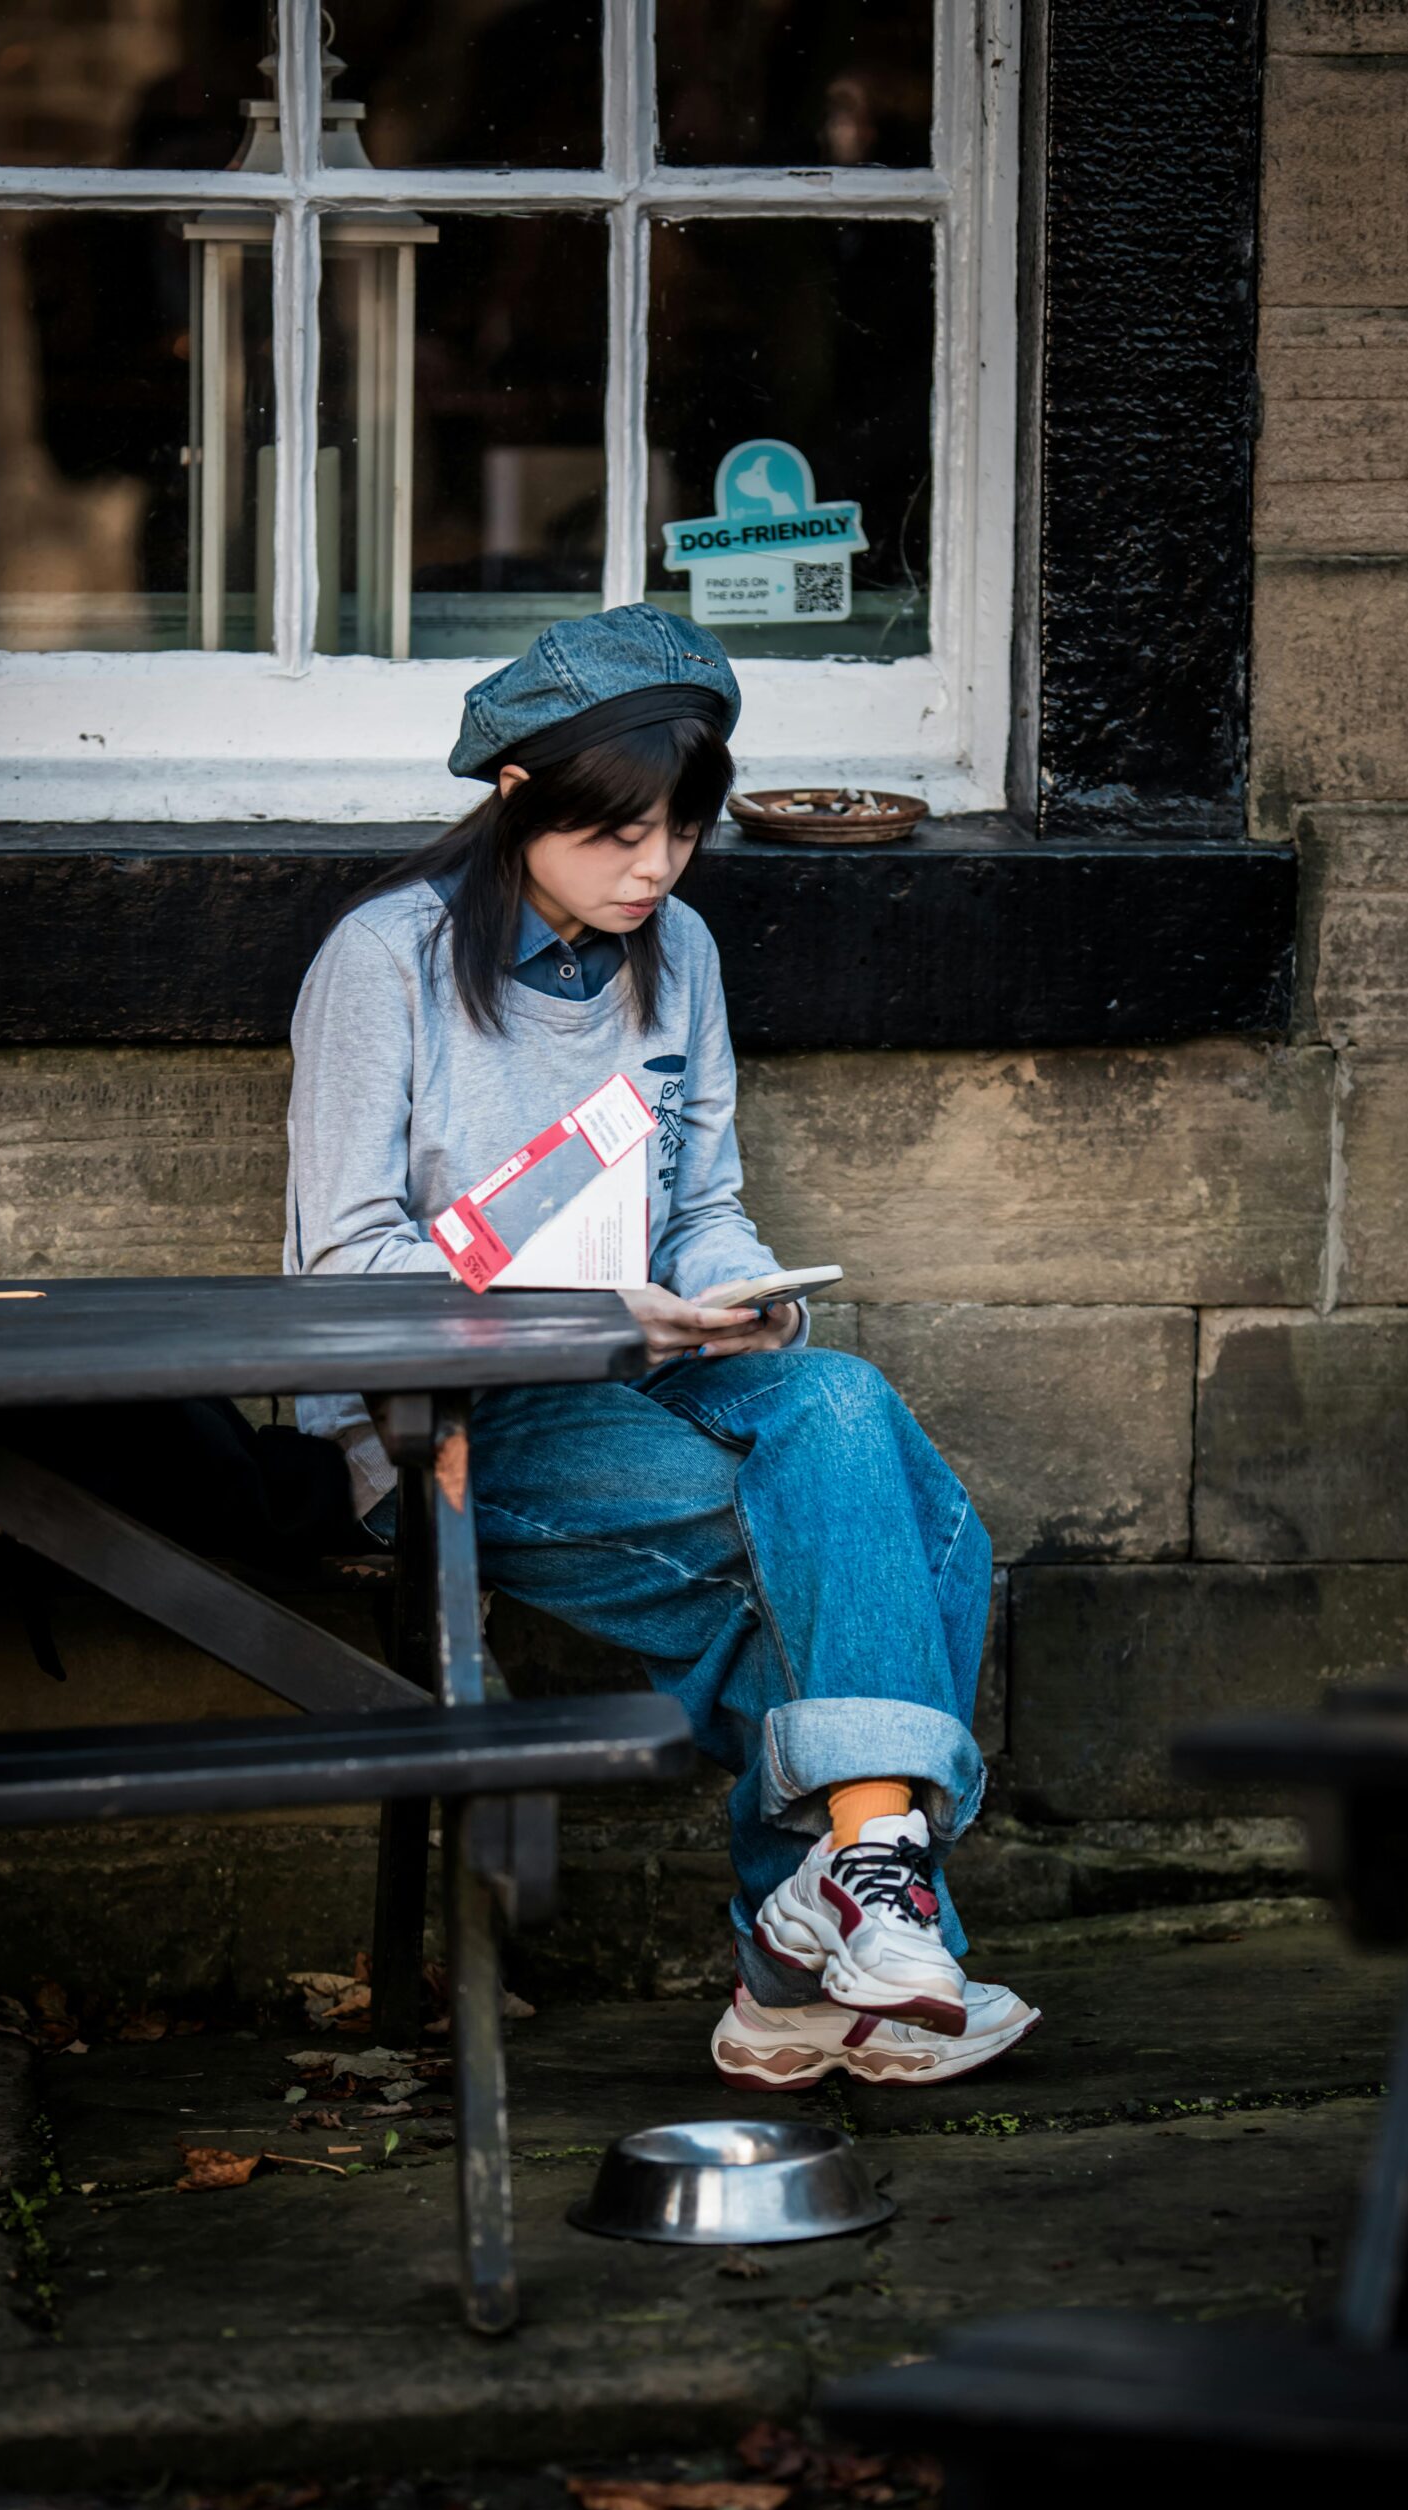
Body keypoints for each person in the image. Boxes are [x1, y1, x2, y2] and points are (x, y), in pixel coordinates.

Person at [285, 603, 1038, 2089]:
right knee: (901, 1548)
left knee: (835, 1399)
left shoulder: (673, 951)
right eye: (617, 838)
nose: (652, 872)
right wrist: (589, 1312)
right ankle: (829, 1956)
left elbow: (702, 1204)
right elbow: (342, 1267)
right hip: (449, 1409)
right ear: (517, 798)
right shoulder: (385, 963)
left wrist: (746, 1295)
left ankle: (817, 1949)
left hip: (654, 1369)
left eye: (681, 838)